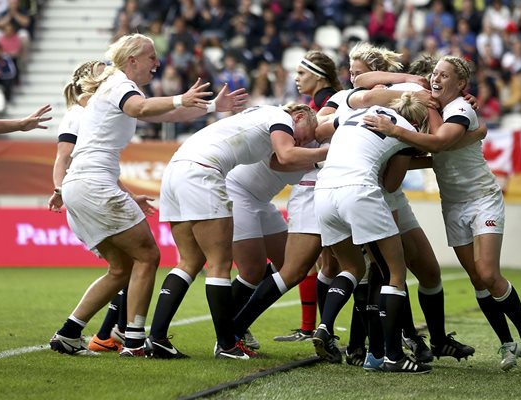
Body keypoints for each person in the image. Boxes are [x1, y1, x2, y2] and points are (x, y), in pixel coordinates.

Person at [49, 33, 247, 357]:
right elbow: (143, 107)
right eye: (152, 57)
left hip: (82, 186)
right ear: (132, 60)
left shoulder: (114, 87)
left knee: (121, 267)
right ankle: (135, 341)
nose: (157, 63)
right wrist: (182, 97)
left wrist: (212, 106)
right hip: (93, 184)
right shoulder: (119, 84)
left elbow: (162, 114)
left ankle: (69, 333)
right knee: (149, 256)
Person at [363, 55, 521, 371]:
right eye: (434, 73)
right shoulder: (437, 108)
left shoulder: (460, 109)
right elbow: (435, 151)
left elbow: (440, 143)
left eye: (444, 75)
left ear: (461, 84)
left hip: (482, 199)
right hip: (454, 204)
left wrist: (395, 130)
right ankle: (507, 343)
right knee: (477, 278)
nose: (436, 78)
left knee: (488, 273)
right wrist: (473, 129)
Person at [148, 103, 327, 360]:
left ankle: (159, 338)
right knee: (226, 265)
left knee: (289, 265)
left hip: (181, 168)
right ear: (298, 116)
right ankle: (228, 343)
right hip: (214, 177)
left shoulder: (263, 116)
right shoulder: (280, 119)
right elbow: (284, 158)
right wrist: (328, 152)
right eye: (305, 134)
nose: (303, 141)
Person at [312, 92, 431, 374]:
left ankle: (325, 326)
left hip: (323, 191)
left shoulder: (356, 112)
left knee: (352, 267)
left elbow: (321, 129)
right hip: (358, 190)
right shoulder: (407, 130)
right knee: (394, 272)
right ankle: (393, 356)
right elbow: (390, 184)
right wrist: (428, 160)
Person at [46, 60, 128, 353]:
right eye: (100, 68)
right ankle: (113, 333)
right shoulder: (78, 114)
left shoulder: (96, 110)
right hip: (86, 195)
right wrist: (60, 187)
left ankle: (103, 333)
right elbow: (63, 157)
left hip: (94, 190)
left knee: (127, 265)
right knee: (132, 262)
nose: (108, 70)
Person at [272, 50, 343, 342]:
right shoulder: (321, 102)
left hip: (324, 188)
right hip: (334, 187)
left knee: (324, 266)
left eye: (302, 73)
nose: (296, 78)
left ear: (319, 75)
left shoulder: (327, 105)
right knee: (332, 265)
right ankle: (316, 329)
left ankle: (313, 328)